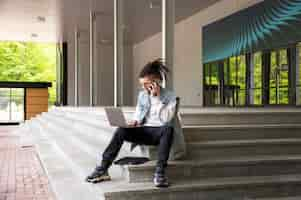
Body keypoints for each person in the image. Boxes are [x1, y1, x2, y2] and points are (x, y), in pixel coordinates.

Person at [86, 58, 184, 187]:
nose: (144, 87)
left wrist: (158, 97)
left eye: (146, 84)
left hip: (160, 133)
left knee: (168, 129)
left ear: (157, 82)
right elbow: (139, 113)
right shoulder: (143, 95)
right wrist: (134, 122)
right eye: (142, 84)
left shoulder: (171, 97)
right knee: (121, 130)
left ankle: (160, 173)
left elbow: (166, 119)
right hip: (144, 131)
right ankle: (103, 168)